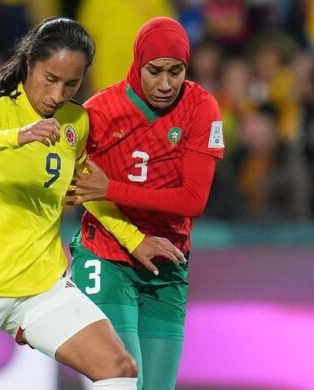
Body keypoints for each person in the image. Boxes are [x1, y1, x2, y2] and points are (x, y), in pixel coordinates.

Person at [0, 17, 184, 390]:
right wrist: (18, 136)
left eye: (71, 83)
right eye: (50, 79)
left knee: (119, 368)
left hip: (40, 285)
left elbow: (86, 188)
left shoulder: (75, 121)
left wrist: (134, 239)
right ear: (30, 64)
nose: (57, 94)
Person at [70, 17, 224, 390]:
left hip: (166, 262)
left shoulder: (201, 108)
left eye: (176, 71)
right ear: (138, 63)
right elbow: (77, 188)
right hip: (105, 256)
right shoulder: (99, 113)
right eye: (155, 71)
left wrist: (111, 189)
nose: (166, 83)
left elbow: (193, 200)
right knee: (123, 378)